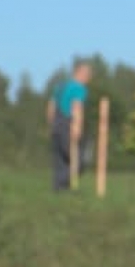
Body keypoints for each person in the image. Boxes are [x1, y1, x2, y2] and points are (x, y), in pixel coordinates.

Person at [46, 60, 92, 192]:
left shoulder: (60, 86)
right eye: (87, 74)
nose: (89, 78)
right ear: (80, 73)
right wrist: (77, 127)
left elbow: (51, 107)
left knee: (60, 160)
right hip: (68, 124)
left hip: (56, 123)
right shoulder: (79, 88)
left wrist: (51, 125)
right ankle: (62, 183)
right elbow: (77, 107)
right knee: (79, 161)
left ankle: (59, 190)